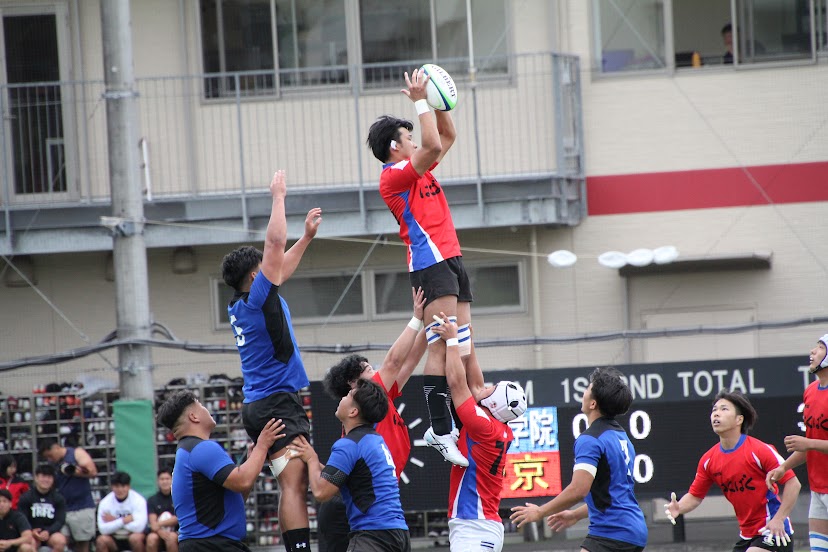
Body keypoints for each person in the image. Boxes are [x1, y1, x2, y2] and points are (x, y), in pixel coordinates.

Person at [367, 67, 473, 467]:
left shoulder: (419, 166)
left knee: (462, 343)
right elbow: (431, 143)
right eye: (407, 138)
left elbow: (445, 136)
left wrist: (439, 103)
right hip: (430, 263)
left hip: (451, 257)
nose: (414, 142)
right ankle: (440, 429)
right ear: (396, 147)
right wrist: (420, 101)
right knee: (440, 344)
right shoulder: (393, 176)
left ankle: (464, 414)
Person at [220, 170, 320, 552]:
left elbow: (280, 265)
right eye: (263, 265)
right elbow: (276, 244)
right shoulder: (258, 298)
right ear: (254, 274)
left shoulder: (243, 303)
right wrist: (278, 196)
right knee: (294, 484)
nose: (270, 265)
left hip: (260, 402)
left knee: (289, 483)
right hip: (276, 401)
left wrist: (306, 238)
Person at [316, 287, 427, 552]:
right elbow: (393, 362)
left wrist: (432, 323)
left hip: (372, 511)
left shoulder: (380, 399)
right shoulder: (363, 405)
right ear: (353, 385)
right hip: (350, 511)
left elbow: (408, 362)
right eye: (368, 370)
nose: (376, 371)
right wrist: (417, 317)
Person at [511, 366, 648, 552]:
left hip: (612, 532)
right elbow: (612, 495)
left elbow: (578, 490)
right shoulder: (621, 437)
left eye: (587, 389)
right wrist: (575, 515)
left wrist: (540, 512)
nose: (583, 393)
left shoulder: (590, 440)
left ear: (593, 404)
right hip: (633, 530)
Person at [431, 314, 526, 552]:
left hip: (475, 527)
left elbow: (457, 383)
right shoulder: (497, 426)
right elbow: (475, 386)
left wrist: (453, 341)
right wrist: (468, 341)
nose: (487, 387)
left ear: (494, 403)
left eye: (493, 389)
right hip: (478, 526)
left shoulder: (483, 426)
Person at [663, 390, 799, 552]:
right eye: (714, 410)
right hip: (746, 536)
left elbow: (793, 483)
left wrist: (779, 519)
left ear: (739, 419)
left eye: (724, 409)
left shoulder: (759, 450)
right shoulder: (708, 460)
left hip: (774, 531)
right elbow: (695, 496)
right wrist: (679, 507)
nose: (716, 414)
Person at [286, 379, 411, 552]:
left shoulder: (349, 445)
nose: (343, 397)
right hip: (398, 534)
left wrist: (312, 459)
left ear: (353, 411)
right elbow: (338, 480)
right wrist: (310, 462)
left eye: (349, 395)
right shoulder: (374, 440)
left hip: (373, 537)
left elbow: (321, 492)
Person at [156, 389, 283, 552]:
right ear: (194, 417)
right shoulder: (202, 448)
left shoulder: (187, 451)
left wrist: (253, 461)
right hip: (211, 545)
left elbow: (236, 495)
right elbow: (242, 481)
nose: (206, 409)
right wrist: (263, 445)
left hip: (209, 544)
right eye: (201, 405)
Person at [766, 333, 828, 552]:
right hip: (818, 490)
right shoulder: (810, 391)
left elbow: (809, 443)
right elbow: (808, 445)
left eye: (820, 347)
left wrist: (808, 443)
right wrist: (783, 467)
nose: (813, 351)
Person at [38, 439, 97, 552]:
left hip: (81, 506)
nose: (50, 459)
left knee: (82, 543)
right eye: (47, 458)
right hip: (62, 508)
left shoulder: (76, 453)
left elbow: (92, 472)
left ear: (56, 447)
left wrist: (74, 471)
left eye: (50, 455)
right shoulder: (53, 464)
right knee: (60, 542)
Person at [18, 464, 67, 552]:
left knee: (60, 541)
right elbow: (22, 519)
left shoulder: (59, 498)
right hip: (32, 532)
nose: (46, 480)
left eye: (49, 477)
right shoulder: (26, 497)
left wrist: (48, 531)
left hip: (51, 533)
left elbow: (60, 520)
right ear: (36, 478)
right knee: (27, 546)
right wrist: (32, 531)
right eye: (43, 476)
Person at [95, 471, 148, 552]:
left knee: (135, 538)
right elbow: (103, 529)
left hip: (132, 535)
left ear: (129, 487)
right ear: (112, 487)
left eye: (123, 486)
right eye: (116, 486)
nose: (120, 490)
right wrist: (124, 520)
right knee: (101, 540)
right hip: (113, 537)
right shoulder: (105, 502)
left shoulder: (139, 500)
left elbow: (139, 528)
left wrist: (115, 520)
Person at [145, 468, 177, 552]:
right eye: (162, 479)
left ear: (172, 480)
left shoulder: (178, 498)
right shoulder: (152, 500)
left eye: (167, 479)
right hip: (157, 532)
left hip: (176, 531)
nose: (164, 481)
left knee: (171, 537)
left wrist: (159, 524)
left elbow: (177, 518)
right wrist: (160, 531)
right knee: (151, 538)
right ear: (158, 481)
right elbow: (152, 522)